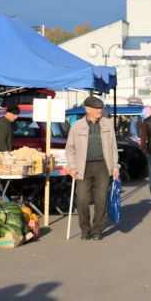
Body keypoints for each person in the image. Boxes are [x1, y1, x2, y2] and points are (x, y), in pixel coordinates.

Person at [65, 96, 119, 241]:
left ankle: (97, 230)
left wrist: (115, 166)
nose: (100, 110)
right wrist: (71, 166)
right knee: (82, 198)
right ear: (88, 109)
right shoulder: (77, 126)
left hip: (103, 165)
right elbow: (70, 149)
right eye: (96, 108)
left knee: (101, 199)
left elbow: (113, 146)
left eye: (101, 108)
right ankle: (85, 229)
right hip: (84, 167)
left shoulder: (108, 124)